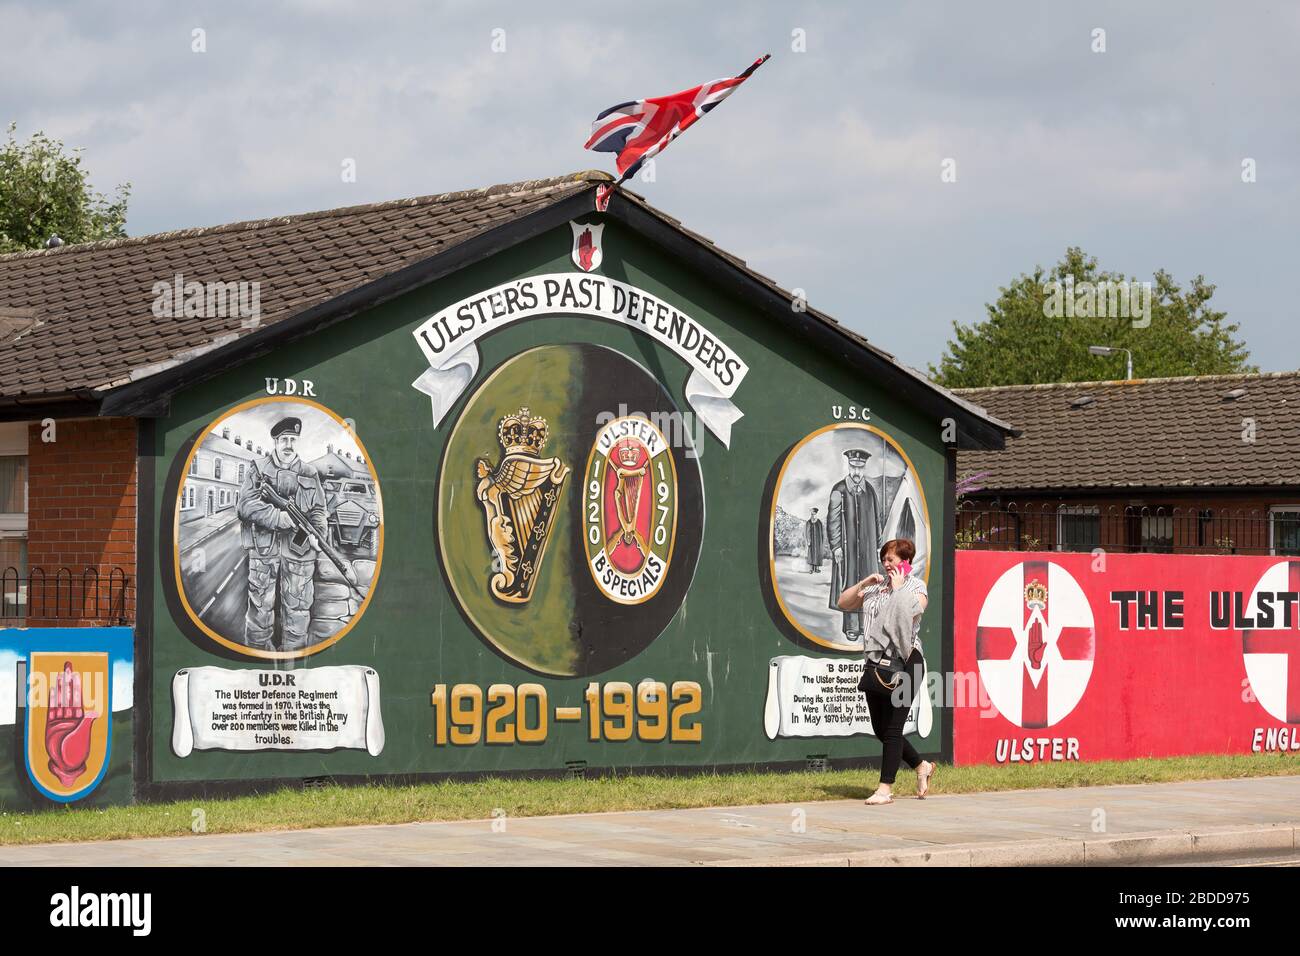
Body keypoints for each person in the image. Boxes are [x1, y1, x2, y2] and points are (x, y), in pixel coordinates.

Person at [838, 537, 935, 805]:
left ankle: (885, 789)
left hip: (907, 662)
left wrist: (899, 587)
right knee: (880, 729)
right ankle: (921, 766)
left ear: (905, 561)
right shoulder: (877, 587)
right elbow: (843, 603)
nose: (886, 563)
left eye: (891, 559)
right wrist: (864, 584)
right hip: (875, 663)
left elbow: (912, 612)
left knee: (893, 727)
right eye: (884, 559)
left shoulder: (916, 586)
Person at [236, 416, 328, 652]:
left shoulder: (310, 472)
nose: (289, 444)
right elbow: (245, 505)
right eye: (284, 439)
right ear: (275, 442)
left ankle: (294, 661)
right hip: (264, 548)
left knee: (298, 610)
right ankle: (257, 658)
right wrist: (280, 518)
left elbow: (319, 509)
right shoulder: (258, 468)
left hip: (301, 552)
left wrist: (319, 534)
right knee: (260, 610)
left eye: (293, 440)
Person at [827, 447, 883, 643]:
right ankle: (851, 627)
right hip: (847, 548)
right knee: (850, 583)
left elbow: (877, 519)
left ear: (864, 467)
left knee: (869, 584)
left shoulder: (871, 492)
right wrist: (835, 547)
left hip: (867, 549)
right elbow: (833, 521)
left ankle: (866, 626)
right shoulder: (838, 490)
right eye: (853, 466)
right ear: (848, 466)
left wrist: (877, 545)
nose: (857, 471)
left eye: (860, 467)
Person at [804, 507, 826, 573]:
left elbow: (822, 532)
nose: (813, 515)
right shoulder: (808, 522)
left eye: (814, 514)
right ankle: (811, 569)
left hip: (818, 541)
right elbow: (807, 532)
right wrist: (808, 540)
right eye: (812, 514)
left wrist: (822, 541)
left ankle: (816, 568)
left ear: (816, 514)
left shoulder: (819, 522)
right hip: (811, 541)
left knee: (817, 554)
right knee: (811, 554)